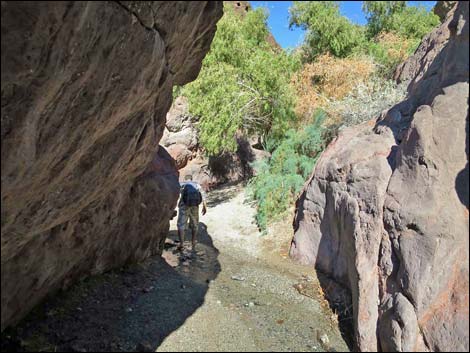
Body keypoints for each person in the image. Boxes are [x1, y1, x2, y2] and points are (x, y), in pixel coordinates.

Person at [177, 174, 207, 251]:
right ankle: (193, 241)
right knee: (195, 224)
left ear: (185, 179)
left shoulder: (182, 185)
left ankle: (181, 244)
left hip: (184, 206)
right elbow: (203, 194)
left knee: (181, 224)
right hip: (195, 206)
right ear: (191, 179)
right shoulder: (196, 184)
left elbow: (176, 194)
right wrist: (204, 206)